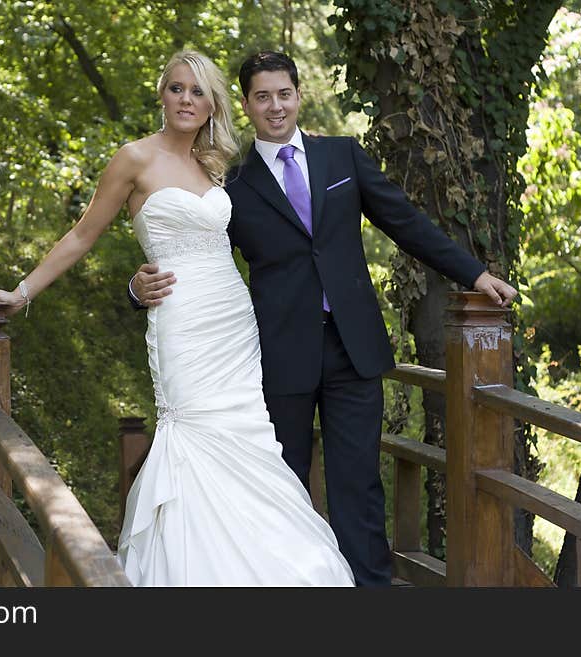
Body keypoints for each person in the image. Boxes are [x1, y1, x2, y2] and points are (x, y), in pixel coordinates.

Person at [129, 51, 518, 586]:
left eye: (283, 94)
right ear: (245, 105)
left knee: (358, 484)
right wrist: (137, 290)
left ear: (298, 95)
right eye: (262, 96)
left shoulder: (342, 157)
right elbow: (195, 258)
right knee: (280, 485)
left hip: (353, 348)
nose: (275, 106)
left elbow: (406, 224)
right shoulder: (230, 186)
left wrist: (474, 275)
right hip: (275, 354)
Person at [0, 50, 355, 586]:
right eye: (177, 88)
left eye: (198, 92)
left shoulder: (218, 164)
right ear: (162, 94)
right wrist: (22, 293)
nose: (187, 99)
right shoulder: (132, 159)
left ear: (213, 105)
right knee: (193, 433)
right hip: (180, 319)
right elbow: (83, 234)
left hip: (234, 322)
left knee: (250, 439)